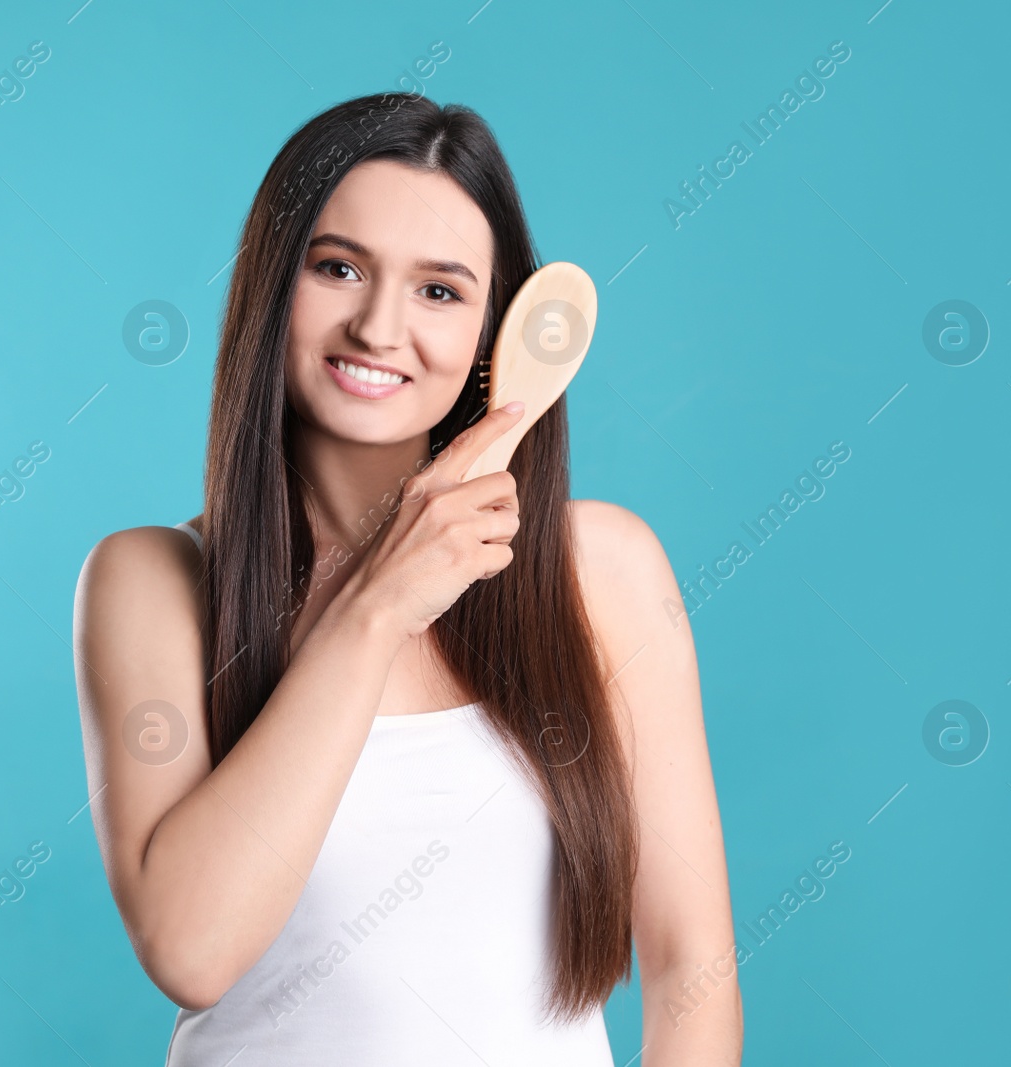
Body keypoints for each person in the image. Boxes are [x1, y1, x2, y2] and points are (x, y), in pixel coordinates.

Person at [73, 91, 742, 1065]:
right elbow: (192, 948)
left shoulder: (603, 572)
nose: (380, 327)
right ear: (271, 285)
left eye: (439, 290)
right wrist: (379, 603)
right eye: (337, 267)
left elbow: (692, 968)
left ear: (492, 331)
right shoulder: (154, 580)